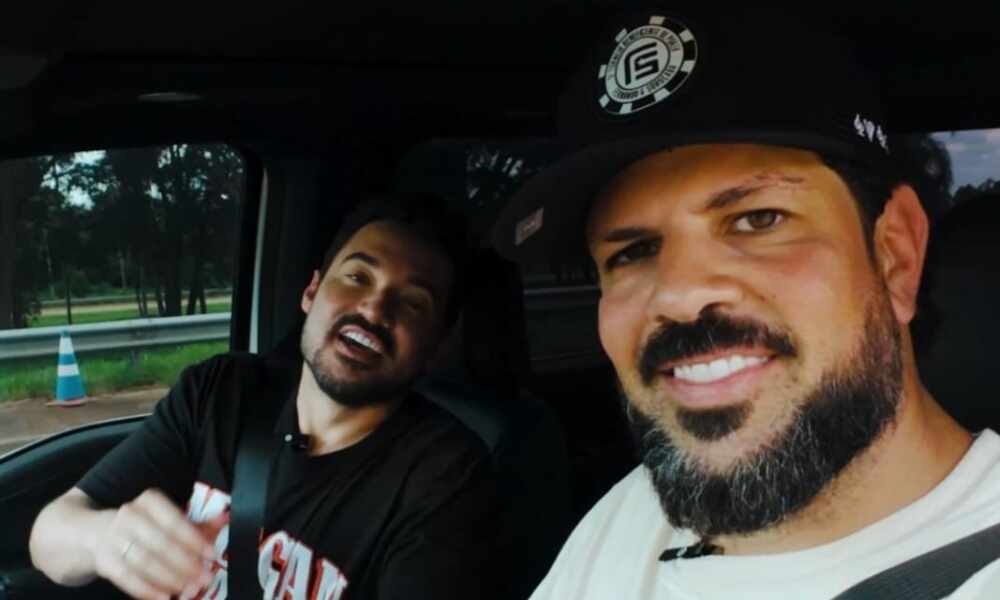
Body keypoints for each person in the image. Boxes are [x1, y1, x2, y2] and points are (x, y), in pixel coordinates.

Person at [492, 7, 1000, 599]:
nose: (680, 297)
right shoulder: (632, 512)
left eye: (759, 219)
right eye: (633, 252)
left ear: (895, 255)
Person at [30, 195, 503, 600]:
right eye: (358, 277)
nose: (374, 308)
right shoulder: (222, 391)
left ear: (434, 348)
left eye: (414, 302)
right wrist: (105, 539)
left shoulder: (444, 479)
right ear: (312, 291)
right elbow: (50, 534)